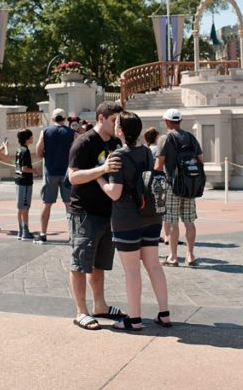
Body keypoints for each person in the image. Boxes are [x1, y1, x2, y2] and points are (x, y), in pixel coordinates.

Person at [99, 112, 172, 331]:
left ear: (120, 130)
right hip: (151, 216)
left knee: (132, 271)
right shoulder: (147, 153)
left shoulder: (117, 156)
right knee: (154, 265)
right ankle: (164, 313)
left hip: (126, 218)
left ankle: (134, 319)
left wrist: (100, 177)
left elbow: (114, 192)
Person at [67, 101, 126, 329]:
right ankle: (81, 311)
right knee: (80, 263)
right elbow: (73, 177)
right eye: (114, 120)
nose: (117, 124)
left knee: (99, 263)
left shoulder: (114, 142)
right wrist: (102, 170)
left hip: (107, 212)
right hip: (84, 212)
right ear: (101, 118)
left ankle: (100, 306)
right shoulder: (84, 142)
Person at [154, 108, 203, 267]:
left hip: (171, 185)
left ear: (167, 122)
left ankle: (173, 257)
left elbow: (159, 164)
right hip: (190, 185)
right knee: (189, 220)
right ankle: (190, 255)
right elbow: (201, 160)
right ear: (180, 121)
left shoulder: (165, 138)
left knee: (172, 221)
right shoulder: (190, 137)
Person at [35, 108, 75, 243]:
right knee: (69, 204)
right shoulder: (71, 133)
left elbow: (38, 151)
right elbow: (75, 152)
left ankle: (43, 233)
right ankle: (72, 234)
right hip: (66, 172)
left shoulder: (45, 131)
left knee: (47, 203)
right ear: (64, 118)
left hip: (50, 171)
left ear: (53, 118)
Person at [14, 129, 37, 240]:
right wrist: (34, 171)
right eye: (31, 137)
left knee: (20, 207)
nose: (32, 139)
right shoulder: (25, 151)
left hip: (18, 180)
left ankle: (20, 231)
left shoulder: (19, 150)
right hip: (25, 181)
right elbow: (24, 168)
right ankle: (25, 232)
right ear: (27, 139)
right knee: (25, 207)